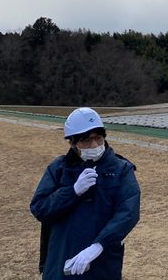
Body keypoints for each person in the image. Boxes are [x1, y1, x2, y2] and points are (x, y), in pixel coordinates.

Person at [30, 107, 140, 278]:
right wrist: (72, 191)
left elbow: (128, 212)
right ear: (73, 143)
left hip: (102, 263)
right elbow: (40, 208)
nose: (94, 145)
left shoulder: (121, 169)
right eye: (86, 140)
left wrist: (98, 245)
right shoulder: (58, 169)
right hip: (61, 260)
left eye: (98, 138)